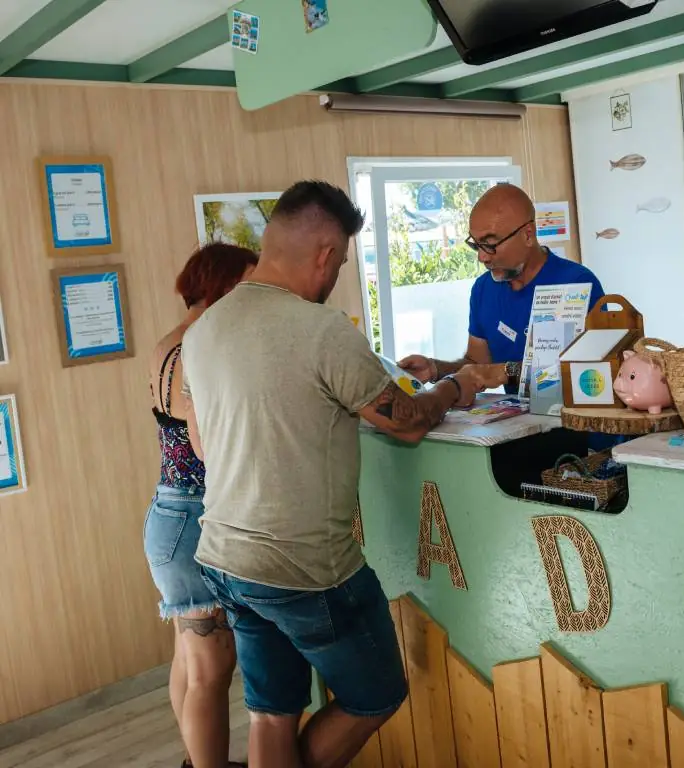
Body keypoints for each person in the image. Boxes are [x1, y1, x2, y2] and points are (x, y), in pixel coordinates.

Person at [180, 180, 502, 768]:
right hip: (307, 567)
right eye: (343, 262)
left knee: (272, 710)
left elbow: (206, 441)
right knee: (376, 693)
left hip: (226, 555)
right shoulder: (322, 330)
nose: (336, 279)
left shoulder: (204, 330)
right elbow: (404, 421)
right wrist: (455, 386)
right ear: (325, 254)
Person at [143, 243, 258, 768]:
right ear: (224, 286)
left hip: (170, 512)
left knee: (191, 664)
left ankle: (197, 760)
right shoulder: (199, 347)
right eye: (248, 286)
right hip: (193, 518)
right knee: (213, 667)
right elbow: (205, 439)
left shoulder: (167, 344)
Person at [399, 182, 605, 394]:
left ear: (527, 234)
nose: (482, 256)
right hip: (521, 425)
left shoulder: (577, 284)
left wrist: (508, 371)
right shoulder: (483, 289)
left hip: (573, 424)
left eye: (490, 244)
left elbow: (594, 374)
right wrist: (435, 369)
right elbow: (478, 366)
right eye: (476, 244)